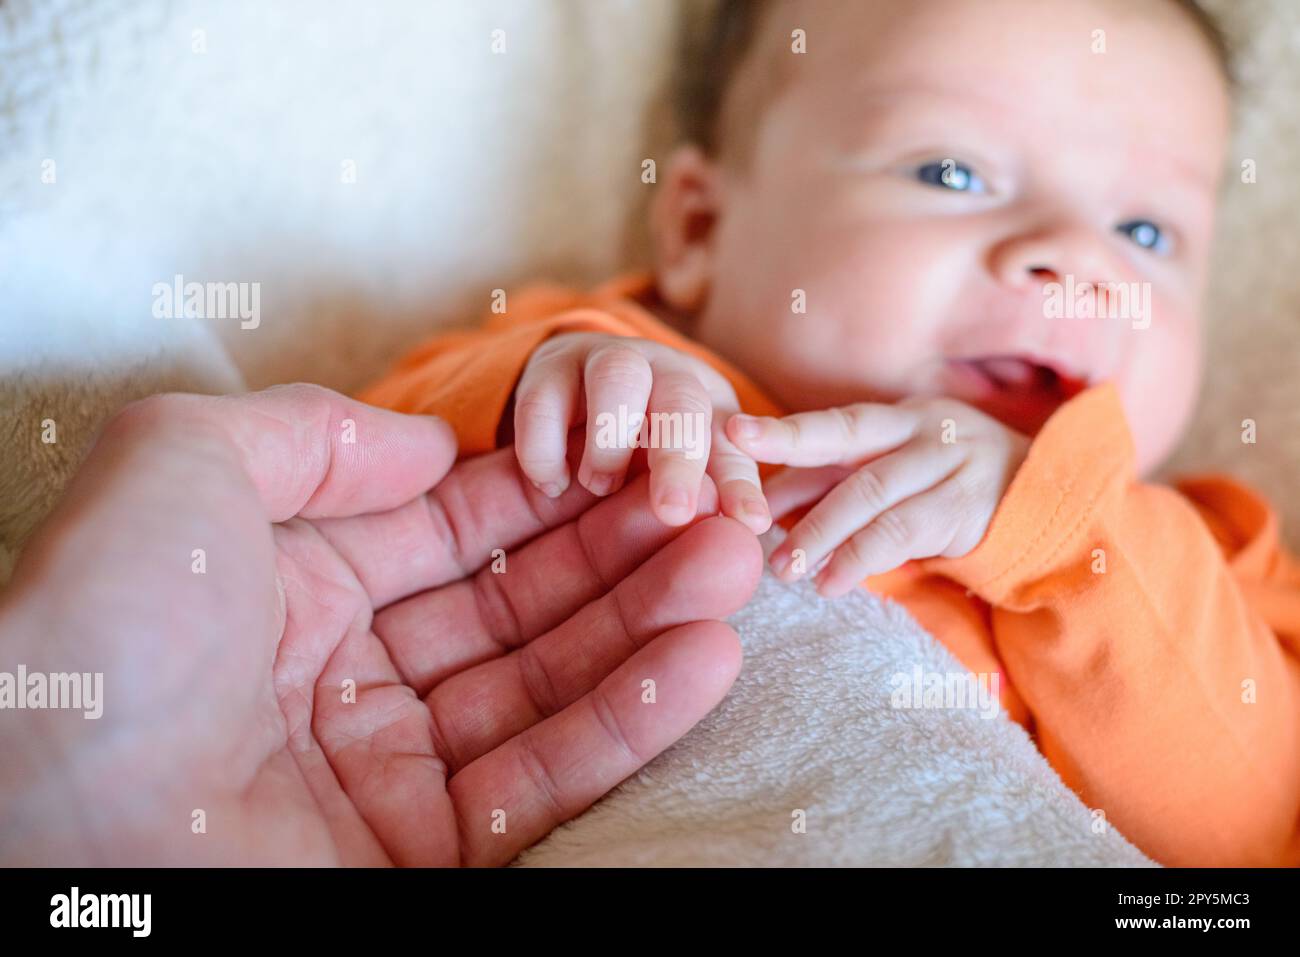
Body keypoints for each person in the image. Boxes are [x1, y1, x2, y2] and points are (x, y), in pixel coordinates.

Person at [357, 0, 1300, 865]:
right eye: (952, 172)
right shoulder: (631, 384)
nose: (1075, 257)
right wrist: (554, 400)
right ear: (697, 229)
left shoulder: (1190, 561)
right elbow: (366, 506)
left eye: (1144, 232)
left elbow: (1245, 839)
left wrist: (1062, 525)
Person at [0, 384, 760, 865]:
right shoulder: (629, 341)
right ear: (696, 220)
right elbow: (454, 396)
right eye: (888, 174)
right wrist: (616, 375)